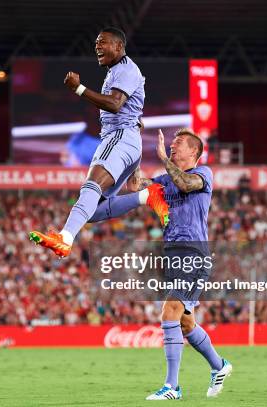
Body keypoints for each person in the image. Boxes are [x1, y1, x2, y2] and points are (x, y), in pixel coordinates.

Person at [94, 128, 232, 400]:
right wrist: (133, 150)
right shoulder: (164, 180)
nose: (172, 147)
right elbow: (136, 186)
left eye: (178, 144)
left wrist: (162, 159)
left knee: (169, 311)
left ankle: (172, 387)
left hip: (193, 253)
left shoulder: (204, 174)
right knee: (185, 323)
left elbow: (185, 184)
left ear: (194, 151)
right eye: (171, 144)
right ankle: (219, 365)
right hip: (172, 255)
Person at [29, 27, 168, 258]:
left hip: (120, 137)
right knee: (91, 210)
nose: (97, 47)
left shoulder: (126, 69)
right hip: (124, 139)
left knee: (91, 186)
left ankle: (65, 238)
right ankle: (147, 196)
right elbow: (127, 105)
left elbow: (114, 104)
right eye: (95, 44)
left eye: (102, 42)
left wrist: (79, 89)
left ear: (118, 46)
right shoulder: (117, 71)